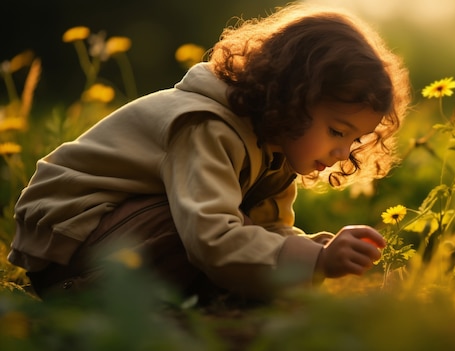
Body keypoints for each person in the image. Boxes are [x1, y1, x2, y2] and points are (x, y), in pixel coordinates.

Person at [8, 3, 411, 303]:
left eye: (354, 140)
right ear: (293, 96)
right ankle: (103, 305)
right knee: (192, 227)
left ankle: (197, 308)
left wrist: (323, 254)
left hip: (120, 235)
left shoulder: (273, 150)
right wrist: (316, 263)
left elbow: (268, 233)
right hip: (69, 246)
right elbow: (211, 240)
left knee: (237, 234)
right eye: (337, 131)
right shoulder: (206, 125)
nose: (342, 152)